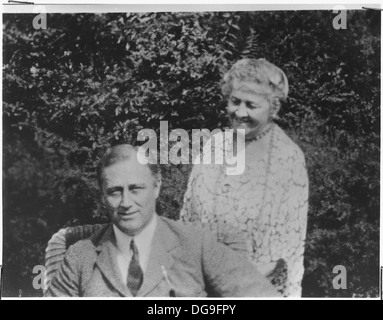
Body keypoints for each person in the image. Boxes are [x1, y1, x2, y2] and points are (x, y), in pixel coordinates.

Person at [45, 144, 279, 297]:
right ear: (103, 195)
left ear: (156, 187)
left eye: (136, 189)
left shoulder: (197, 245)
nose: (126, 202)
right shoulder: (80, 256)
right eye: (115, 191)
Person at [180, 58, 309, 297]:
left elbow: (282, 254)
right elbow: (188, 221)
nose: (240, 112)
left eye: (251, 105)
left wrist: (221, 283)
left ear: (274, 108)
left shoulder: (287, 159)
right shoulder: (214, 146)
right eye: (235, 101)